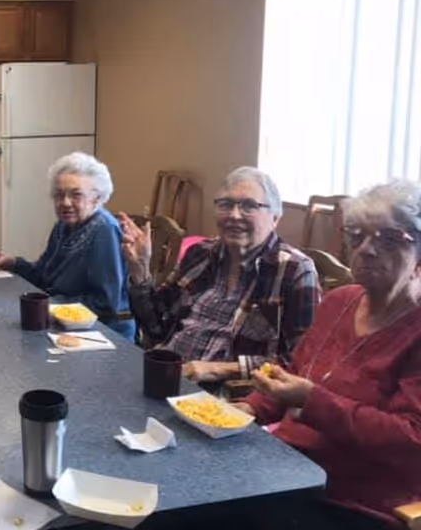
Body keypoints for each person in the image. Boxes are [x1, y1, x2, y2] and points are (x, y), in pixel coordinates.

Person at [233, 181, 421, 529]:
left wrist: (311, 400)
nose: (366, 249)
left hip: (357, 501)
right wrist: (250, 407)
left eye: (389, 238)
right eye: (357, 235)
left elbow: (411, 441)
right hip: (288, 472)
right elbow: (293, 372)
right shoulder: (340, 300)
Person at [120, 167, 320, 382]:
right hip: (167, 376)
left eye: (249, 206)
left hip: (226, 400)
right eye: (225, 205)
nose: (234, 215)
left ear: (275, 218)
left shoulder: (294, 271)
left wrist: (218, 369)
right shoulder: (200, 254)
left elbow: (300, 362)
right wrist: (140, 269)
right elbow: (156, 328)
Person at [0, 152, 135, 340]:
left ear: (97, 198)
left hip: (102, 333)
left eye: (76, 195)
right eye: (59, 195)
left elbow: (105, 303)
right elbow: (43, 276)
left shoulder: (104, 230)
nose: (65, 203)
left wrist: (47, 306)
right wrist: (12, 263)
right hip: (61, 321)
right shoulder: (63, 226)